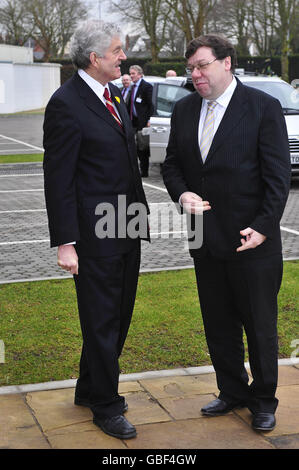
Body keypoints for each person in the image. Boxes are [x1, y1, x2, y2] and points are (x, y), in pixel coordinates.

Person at [162, 34, 291, 432]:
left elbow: (278, 176)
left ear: (226, 63)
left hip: (252, 240)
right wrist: (182, 193)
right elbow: (171, 166)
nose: (196, 74)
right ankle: (232, 390)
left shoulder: (262, 108)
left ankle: (264, 398)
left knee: (259, 325)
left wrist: (265, 228)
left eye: (202, 65)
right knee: (218, 324)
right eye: (191, 69)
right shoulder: (184, 111)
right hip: (205, 239)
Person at [43, 20, 149, 440]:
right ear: (94, 58)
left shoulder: (113, 94)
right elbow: (58, 177)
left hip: (126, 227)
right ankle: (107, 405)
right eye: (117, 50)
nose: (124, 56)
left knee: (117, 316)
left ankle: (89, 388)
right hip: (94, 236)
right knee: (102, 320)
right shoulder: (66, 103)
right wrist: (66, 242)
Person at [128, 65, 153, 177]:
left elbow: (150, 105)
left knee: (142, 147)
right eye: (130, 73)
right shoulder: (132, 87)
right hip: (133, 121)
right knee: (134, 146)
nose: (131, 76)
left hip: (143, 122)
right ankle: (135, 169)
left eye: (133, 73)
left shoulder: (146, 86)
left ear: (139, 74)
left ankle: (144, 171)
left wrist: (149, 119)